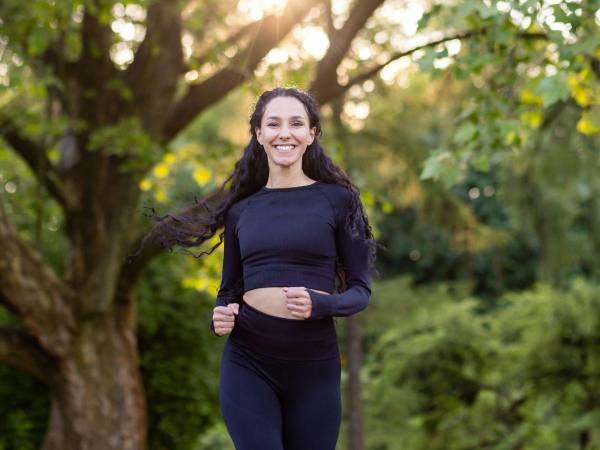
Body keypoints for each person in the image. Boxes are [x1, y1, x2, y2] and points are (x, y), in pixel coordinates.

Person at [142, 87, 378, 450]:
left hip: (313, 367)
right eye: (274, 123)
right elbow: (229, 290)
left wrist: (321, 304)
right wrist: (220, 315)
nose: (285, 132)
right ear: (259, 134)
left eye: (296, 123)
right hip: (248, 361)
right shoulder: (241, 211)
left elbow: (361, 291)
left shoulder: (338, 201)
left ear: (312, 133)